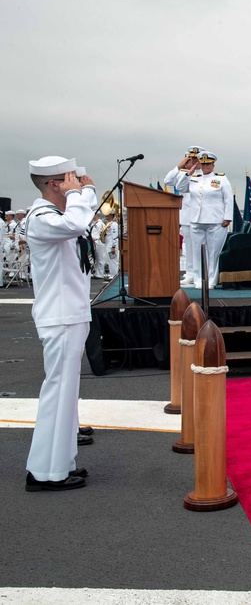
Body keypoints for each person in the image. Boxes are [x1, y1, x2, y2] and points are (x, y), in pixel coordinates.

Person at [22, 156, 98, 492]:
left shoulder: (58, 214)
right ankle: (43, 472)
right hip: (61, 317)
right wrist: (80, 195)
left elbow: (82, 216)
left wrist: (88, 189)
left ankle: (61, 464)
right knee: (58, 394)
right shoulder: (42, 218)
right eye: (70, 179)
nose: (76, 185)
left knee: (67, 396)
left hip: (71, 315)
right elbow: (77, 225)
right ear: (55, 184)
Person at [175, 151, 232, 289]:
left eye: (208, 164)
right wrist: (188, 173)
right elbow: (180, 187)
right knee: (196, 251)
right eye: (203, 164)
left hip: (215, 220)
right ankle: (198, 279)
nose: (206, 167)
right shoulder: (194, 178)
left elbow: (228, 199)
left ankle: (211, 280)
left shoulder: (221, 179)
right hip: (196, 219)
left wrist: (227, 217)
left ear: (213, 165)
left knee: (213, 252)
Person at [164, 146, 204, 286]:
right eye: (191, 159)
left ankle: (200, 274)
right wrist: (179, 167)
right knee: (188, 247)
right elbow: (168, 181)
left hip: (201, 216)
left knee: (200, 246)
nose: (194, 162)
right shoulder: (184, 174)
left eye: (196, 159)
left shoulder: (207, 174)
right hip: (187, 216)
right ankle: (190, 274)